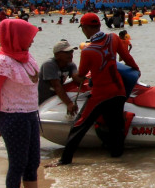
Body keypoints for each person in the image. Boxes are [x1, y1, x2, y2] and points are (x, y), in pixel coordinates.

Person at [0, 19, 57, 188]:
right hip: (12, 116)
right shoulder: (3, 61)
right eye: (28, 37)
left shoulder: (26, 57)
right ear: (16, 37)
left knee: (33, 161)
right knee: (17, 163)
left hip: (31, 114)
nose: (32, 40)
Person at [53, 12, 140, 166]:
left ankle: (64, 161)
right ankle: (117, 159)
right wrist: (135, 71)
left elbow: (80, 74)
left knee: (79, 125)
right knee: (116, 127)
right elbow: (127, 58)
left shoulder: (87, 51)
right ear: (99, 25)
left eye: (83, 28)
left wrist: (76, 76)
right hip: (118, 90)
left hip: (100, 94)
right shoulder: (113, 38)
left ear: (86, 28)